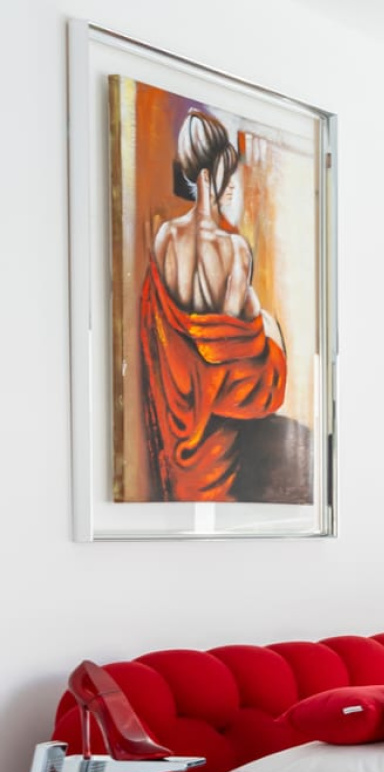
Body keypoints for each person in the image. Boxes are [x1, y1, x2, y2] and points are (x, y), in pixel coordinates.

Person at [138, 110, 287, 501]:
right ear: (211, 174)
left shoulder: (164, 238)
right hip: (218, 417)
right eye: (227, 169)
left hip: (180, 414)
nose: (231, 182)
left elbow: (168, 336)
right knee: (271, 333)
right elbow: (231, 347)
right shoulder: (235, 249)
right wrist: (265, 325)